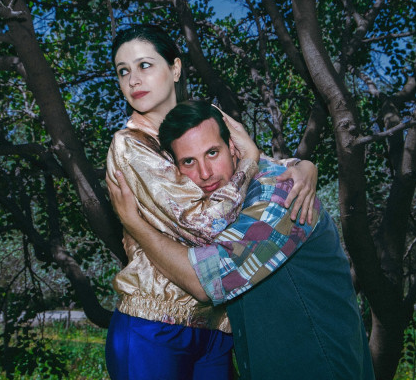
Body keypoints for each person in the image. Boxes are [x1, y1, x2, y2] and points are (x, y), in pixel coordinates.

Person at [105, 24, 319, 380]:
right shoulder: (130, 145)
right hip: (153, 326)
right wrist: (249, 161)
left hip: (218, 328)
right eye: (123, 71)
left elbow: (261, 175)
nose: (133, 80)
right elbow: (205, 225)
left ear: (175, 68)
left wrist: (303, 167)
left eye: (144, 65)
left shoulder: (206, 121)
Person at [108, 100, 375, 380]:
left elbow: (203, 282)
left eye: (212, 153)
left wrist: (133, 223)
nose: (205, 173)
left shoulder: (280, 195)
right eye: (188, 162)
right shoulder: (225, 205)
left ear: (233, 147)